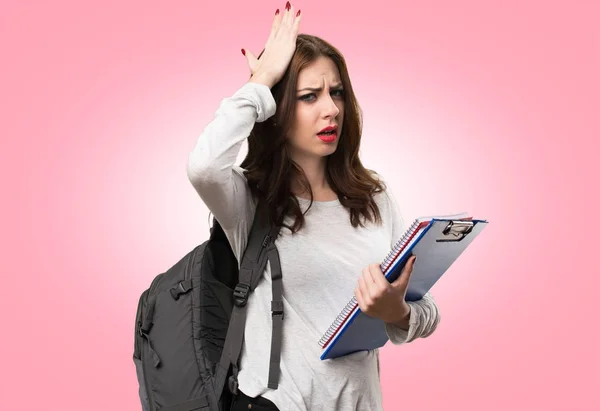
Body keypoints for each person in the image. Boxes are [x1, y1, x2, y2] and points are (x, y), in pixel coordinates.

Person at [186, 2, 441, 410]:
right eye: (310, 96)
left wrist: (398, 313)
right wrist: (263, 79)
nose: (332, 109)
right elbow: (203, 166)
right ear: (278, 109)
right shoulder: (249, 202)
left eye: (336, 92)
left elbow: (425, 310)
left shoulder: (374, 198)